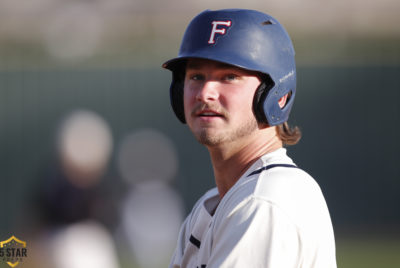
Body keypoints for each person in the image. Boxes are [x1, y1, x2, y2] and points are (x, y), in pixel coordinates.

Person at [162, 9, 336, 268]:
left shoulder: (264, 200)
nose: (206, 92)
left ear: (277, 94)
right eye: (196, 76)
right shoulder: (216, 203)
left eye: (229, 77)